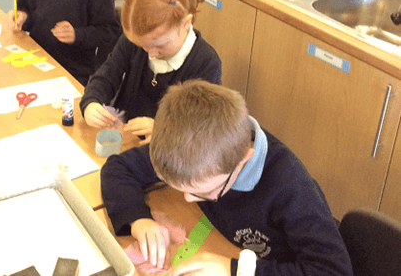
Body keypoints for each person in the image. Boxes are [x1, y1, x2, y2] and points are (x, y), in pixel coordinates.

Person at [101, 79, 353, 276]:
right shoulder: (189, 148)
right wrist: (137, 219)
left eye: (204, 192)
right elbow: (118, 169)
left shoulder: (291, 188)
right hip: (215, 242)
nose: (189, 199)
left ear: (243, 160)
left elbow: (332, 271)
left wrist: (234, 270)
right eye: (183, 190)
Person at [80, 0, 221, 142]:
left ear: (186, 24)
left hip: (167, 152)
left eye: (160, 46)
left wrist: (163, 131)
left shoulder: (206, 63)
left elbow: (201, 127)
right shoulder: (140, 40)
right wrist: (91, 102)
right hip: (125, 137)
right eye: (143, 47)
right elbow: (108, 73)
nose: (151, 54)